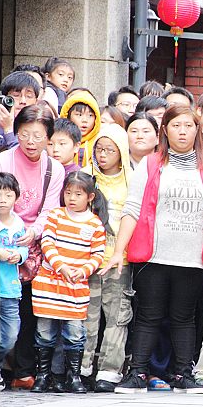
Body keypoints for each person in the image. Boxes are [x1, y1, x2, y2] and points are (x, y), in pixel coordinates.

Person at [102, 105, 203, 394]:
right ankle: (137, 373)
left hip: (193, 258)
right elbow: (132, 209)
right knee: (148, 315)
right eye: (176, 125)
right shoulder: (150, 164)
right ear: (165, 130)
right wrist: (117, 251)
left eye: (188, 125)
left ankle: (183, 374)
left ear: (198, 130)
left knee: (184, 317)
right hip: (153, 255)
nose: (182, 131)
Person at [0, 104, 65, 391]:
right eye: (25, 134)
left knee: (26, 308)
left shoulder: (54, 168)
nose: (30, 142)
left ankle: (23, 370)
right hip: (2, 236)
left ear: (48, 137)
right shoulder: (3, 161)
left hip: (31, 245)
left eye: (38, 136)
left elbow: (49, 209)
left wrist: (33, 232)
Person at [30, 172, 108, 394]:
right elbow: (47, 243)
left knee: (75, 333)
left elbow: (97, 255)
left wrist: (83, 271)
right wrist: (61, 266)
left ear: (90, 197)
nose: (72, 198)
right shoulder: (56, 215)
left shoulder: (95, 224)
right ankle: (43, 375)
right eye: (68, 193)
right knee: (45, 332)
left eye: (78, 194)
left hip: (75, 286)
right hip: (50, 283)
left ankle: (73, 376)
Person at [80, 123, 134, 392]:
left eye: (109, 150)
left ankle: (109, 370)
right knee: (86, 315)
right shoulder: (85, 178)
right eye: (99, 149)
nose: (102, 155)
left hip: (120, 259)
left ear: (121, 152)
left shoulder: (132, 181)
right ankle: (82, 367)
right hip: (88, 259)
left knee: (117, 316)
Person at [0, 172, 29, 392]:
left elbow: (24, 248)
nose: (2, 200)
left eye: (8, 195)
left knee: (10, 336)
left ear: (16, 198)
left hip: (10, 288)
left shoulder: (18, 224)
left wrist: (19, 255)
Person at [0, 71, 41, 151]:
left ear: (36, 101)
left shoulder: (41, 126)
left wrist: (8, 129)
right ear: (4, 98)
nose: (23, 101)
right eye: (16, 95)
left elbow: (24, 155)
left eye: (29, 96)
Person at [59, 89, 101, 168]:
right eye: (79, 115)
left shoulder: (99, 143)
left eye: (90, 115)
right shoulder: (58, 139)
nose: (85, 120)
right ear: (68, 116)